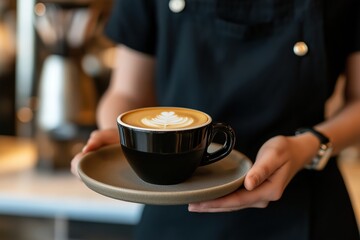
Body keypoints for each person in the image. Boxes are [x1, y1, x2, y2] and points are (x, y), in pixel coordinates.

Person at [71, 0, 360, 239]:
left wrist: (308, 147)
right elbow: (126, 93)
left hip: (303, 206)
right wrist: (123, 136)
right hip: (173, 204)